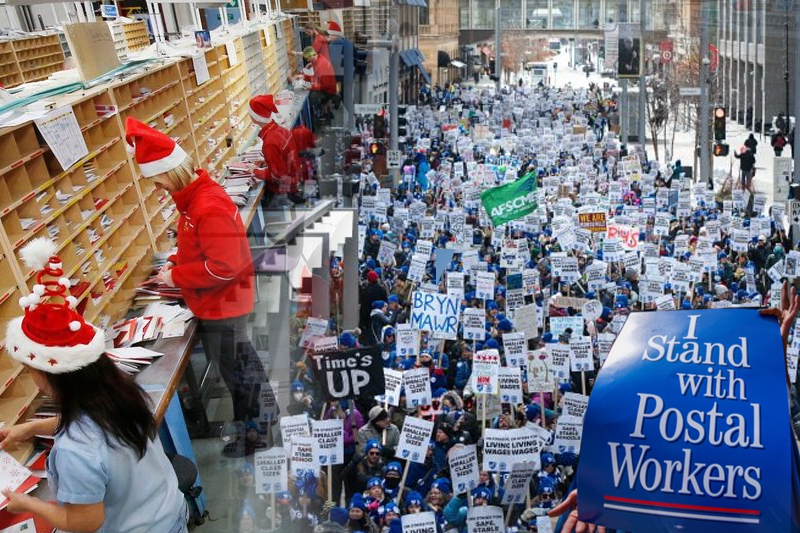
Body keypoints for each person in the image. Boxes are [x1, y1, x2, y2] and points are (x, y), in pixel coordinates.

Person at [0, 238, 186, 533]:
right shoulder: (119, 394)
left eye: (30, 370)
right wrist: (30, 428)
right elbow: (93, 427)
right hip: (167, 512)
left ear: (50, 375)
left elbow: (85, 522)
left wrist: (27, 503)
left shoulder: (75, 450)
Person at [125, 118, 266, 449]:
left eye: (158, 183)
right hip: (221, 301)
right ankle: (257, 421)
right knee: (242, 365)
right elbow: (197, 245)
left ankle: (256, 434)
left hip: (223, 304)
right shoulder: (195, 199)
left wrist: (176, 276)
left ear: (167, 174)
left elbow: (224, 266)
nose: (158, 190)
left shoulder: (206, 205)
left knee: (238, 372)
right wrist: (177, 261)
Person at [249, 94, 302, 204]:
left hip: (285, 189)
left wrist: (255, 171)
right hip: (295, 180)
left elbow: (278, 175)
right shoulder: (280, 130)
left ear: (255, 118)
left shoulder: (269, 142)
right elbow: (284, 158)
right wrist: (267, 161)